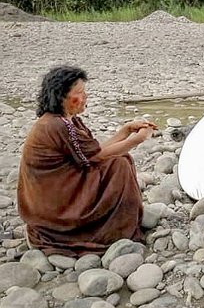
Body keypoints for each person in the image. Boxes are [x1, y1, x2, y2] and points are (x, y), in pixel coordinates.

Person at [18, 66, 156, 257]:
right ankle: (110, 231)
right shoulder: (56, 125)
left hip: (62, 186)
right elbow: (98, 157)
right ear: (62, 97)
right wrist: (137, 140)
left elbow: (94, 151)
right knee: (119, 165)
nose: (86, 97)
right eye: (80, 93)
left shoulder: (65, 121)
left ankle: (120, 223)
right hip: (55, 201)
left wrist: (125, 131)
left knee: (120, 159)